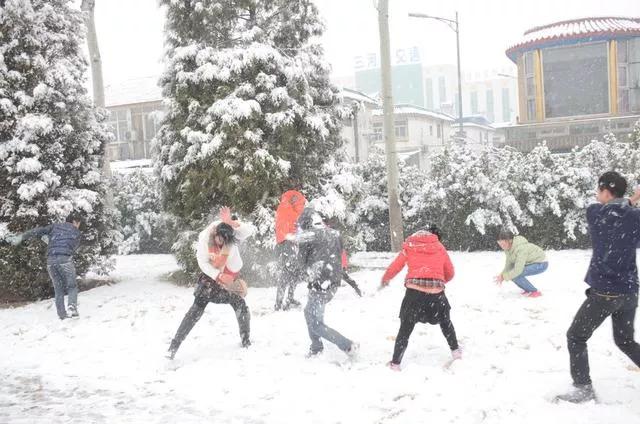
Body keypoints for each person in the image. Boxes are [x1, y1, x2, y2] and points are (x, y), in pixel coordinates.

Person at [555, 172, 640, 403]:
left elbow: (615, 213)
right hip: (630, 292)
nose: (596, 193)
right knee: (625, 341)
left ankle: (583, 388)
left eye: (598, 189)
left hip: (605, 293)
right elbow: (624, 215)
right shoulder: (635, 218)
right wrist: (633, 200)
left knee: (576, 336)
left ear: (604, 190)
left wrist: (633, 199)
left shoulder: (595, 213)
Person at [167, 207, 254, 360]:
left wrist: (231, 222)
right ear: (215, 234)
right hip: (211, 274)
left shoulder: (229, 231)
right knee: (196, 308)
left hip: (229, 272)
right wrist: (218, 275)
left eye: (225, 243)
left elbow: (248, 231)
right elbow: (203, 263)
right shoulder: (205, 239)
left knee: (240, 302)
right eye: (220, 241)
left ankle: (246, 340)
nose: (221, 245)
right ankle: (174, 346)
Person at [380, 224, 460, 370]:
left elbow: (396, 266)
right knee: (446, 323)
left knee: (405, 328)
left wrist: (386, 278)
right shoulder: (439, 247)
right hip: (437, 296)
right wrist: (438, 281)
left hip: (414, 296)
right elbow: (450, 272)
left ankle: (395, 363)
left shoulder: (409, 245)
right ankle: (456, 353)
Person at [296, 207, 359, 357]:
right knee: (311, 314)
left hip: (319, 282)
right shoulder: (334, 233)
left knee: (315, 323)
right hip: (333, 280)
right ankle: (316, 346)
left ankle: (347, 345)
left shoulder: (307, 236)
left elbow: (301, 263)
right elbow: (339, 253)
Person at [10, 212, 83, 320]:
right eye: (78, 223)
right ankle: (72, 307)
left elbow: (38, 231)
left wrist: (22, 236)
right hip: (65, 259)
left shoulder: (55, 226)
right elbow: (73, 247)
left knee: (58, 288)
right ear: (75, 222)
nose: (78, 226)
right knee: (71, 286)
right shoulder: (76, 232)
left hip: (51, 260)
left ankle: (62, 315)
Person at [274, 190, 307, 310]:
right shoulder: (285, 209)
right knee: (286, 274)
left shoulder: (287, 209)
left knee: (295, 273)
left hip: (290, 244)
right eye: (301, 203)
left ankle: (289, 298)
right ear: (295, 201)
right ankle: (278, 304)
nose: (302, 207)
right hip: (286, 245)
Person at [494, 229, 547, 297]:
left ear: (510, 241)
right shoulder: (508, 249)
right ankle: (528, 290)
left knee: (516, 274)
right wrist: (501, 275)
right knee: (513, 274)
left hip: (541, 263)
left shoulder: (521, 249)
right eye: (499, 244)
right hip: (532, 262)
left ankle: (534, 291)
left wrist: (504, 277)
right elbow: (509, 264)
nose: (502, 246)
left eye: (503, 244)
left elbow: (518, 270)